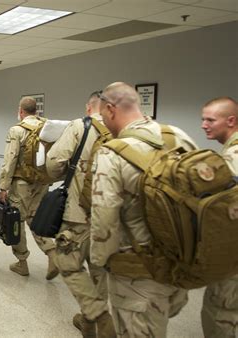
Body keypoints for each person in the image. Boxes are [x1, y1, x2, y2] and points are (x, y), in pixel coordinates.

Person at [90, 82, 197, 337]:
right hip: (180, 264)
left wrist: (100, 262)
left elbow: (104, 219)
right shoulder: (179, 137)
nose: (103, 121)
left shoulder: (112, 154)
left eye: (103, 115)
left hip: (136, 274)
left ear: (110, 109)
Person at [46, 91, 114, 336]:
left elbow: (54, 162)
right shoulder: (122, 130)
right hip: (110, 215)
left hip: (78, 212)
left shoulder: (80, 126)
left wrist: (66, 174)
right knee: (100, 269)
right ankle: (90, 319)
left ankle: (96, 315)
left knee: (68, 262)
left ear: (89, 107)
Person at [0, 96, 58, 279]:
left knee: (16, 221)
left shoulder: (17, 130)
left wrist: (3, 187)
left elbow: (10, 160)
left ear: (21, 111)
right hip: (42, 182)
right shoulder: (47, 128)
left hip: (22, 183)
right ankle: (52, 253)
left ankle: (22, 262)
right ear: (36, 111)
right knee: (36, 217)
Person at [200, 96, 238, 338]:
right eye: (202, 119)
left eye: (210, 119)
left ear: (231, 120)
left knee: (219, 313)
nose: (204, 124)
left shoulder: (233, 157)